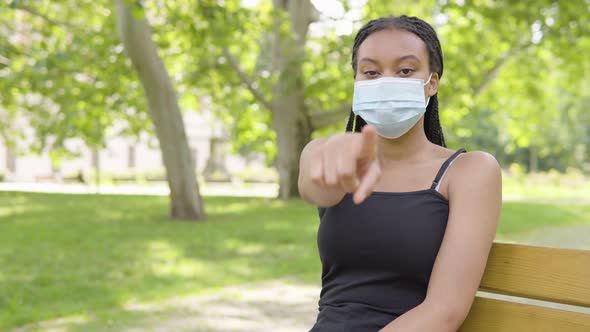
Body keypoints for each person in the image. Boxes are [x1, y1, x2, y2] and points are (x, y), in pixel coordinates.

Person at [298, 15, 502, 331]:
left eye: (405, 70)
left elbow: (444, 311)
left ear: (432, 82)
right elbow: (317, 189)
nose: (386, 81)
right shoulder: (324, 153)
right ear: (356, 84)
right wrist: (333, 162)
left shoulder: (470, 171)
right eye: (371, 72)